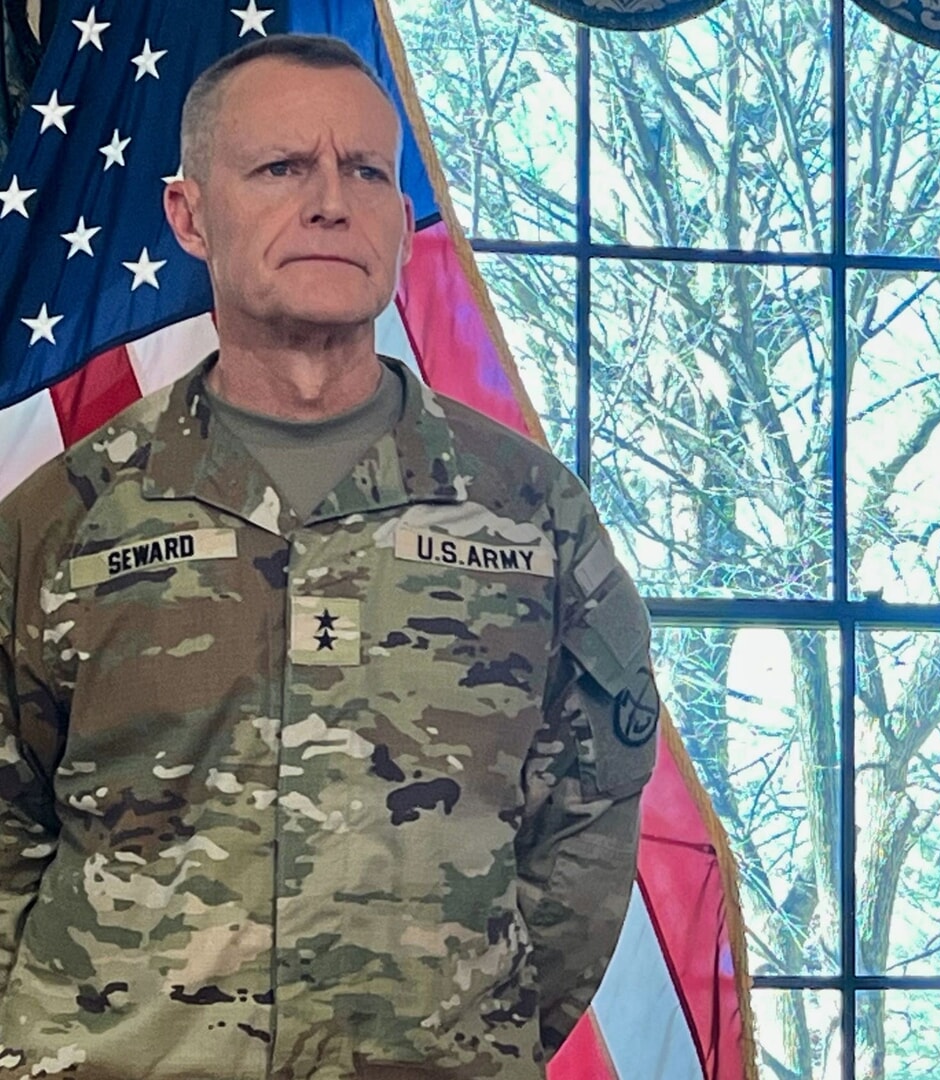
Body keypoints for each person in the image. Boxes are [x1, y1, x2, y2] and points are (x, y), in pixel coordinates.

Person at [0, 35, 655, 1076]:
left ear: (401, 219)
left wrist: (468, 1032)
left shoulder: (532, 514)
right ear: (188, 215)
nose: (330, 202)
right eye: (279, 169)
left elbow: (589, 816)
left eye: (365, 172)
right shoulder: (64, 517)